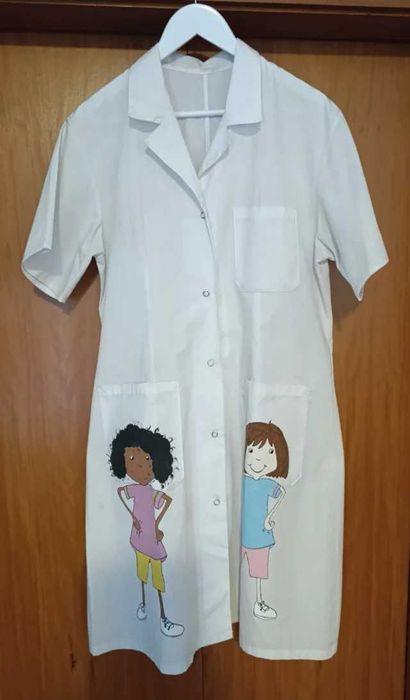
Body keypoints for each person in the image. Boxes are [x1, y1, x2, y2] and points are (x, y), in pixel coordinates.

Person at [109, 423, 184, 637]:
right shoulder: (134, 489)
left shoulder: (151, 492)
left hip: (152, 540)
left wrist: (157, 524)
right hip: (138, 538)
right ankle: (143, 604)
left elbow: (167, 500)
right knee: (142, 574)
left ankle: (163, 618)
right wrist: (132, 517)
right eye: (132, 460)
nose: (141, 466)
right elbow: (119, 492)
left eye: (147, 459)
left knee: (158, 578)